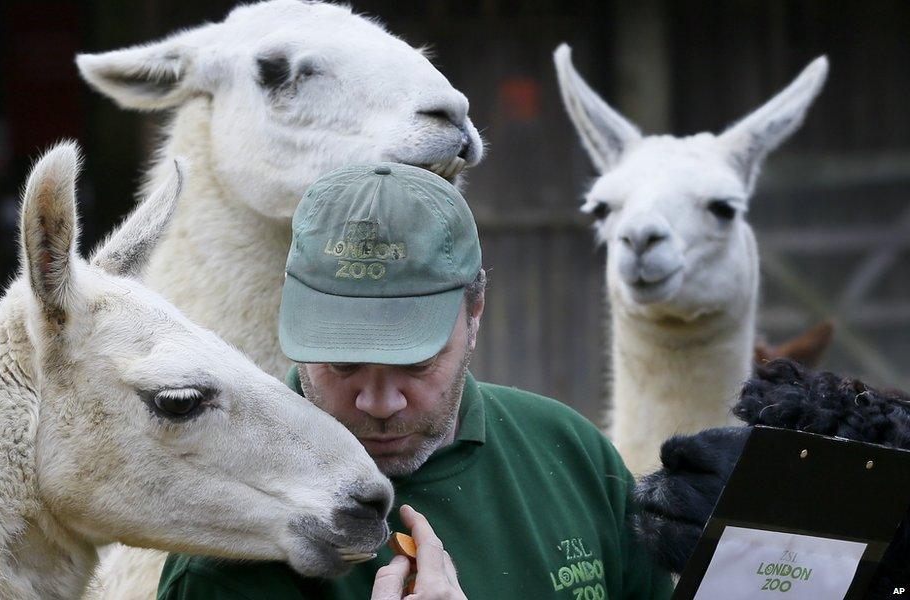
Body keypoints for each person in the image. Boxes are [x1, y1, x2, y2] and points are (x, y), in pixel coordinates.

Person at [157, 163, 674, 599]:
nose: (379, 402)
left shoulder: (573, 457)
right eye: (342, 363)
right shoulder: (228, 544)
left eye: (416, 362)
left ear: (475, 313)